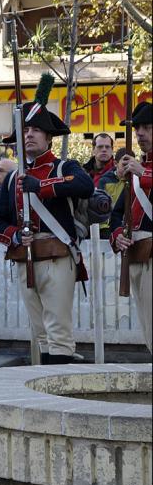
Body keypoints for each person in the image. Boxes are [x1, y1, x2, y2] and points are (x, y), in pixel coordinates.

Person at [0, 75, 94, 364]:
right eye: (25, 130)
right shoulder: (11, 179)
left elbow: (84, 185)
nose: (30, 134)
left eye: (37, 130)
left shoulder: (64, 166)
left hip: (57, 256)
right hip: (26, 258)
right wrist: (13, 235)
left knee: (58, 333)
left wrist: (42, 187)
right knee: (40, 334)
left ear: (49, 138)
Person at [109, 101, 151, 353]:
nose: (140, 134)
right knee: (148, 331)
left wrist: (143, 173)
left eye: (147, 127)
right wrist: (118, 237)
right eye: (137, 129)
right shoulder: (134, 171)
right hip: (136, 258)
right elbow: (116, 216)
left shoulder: (140, 170)